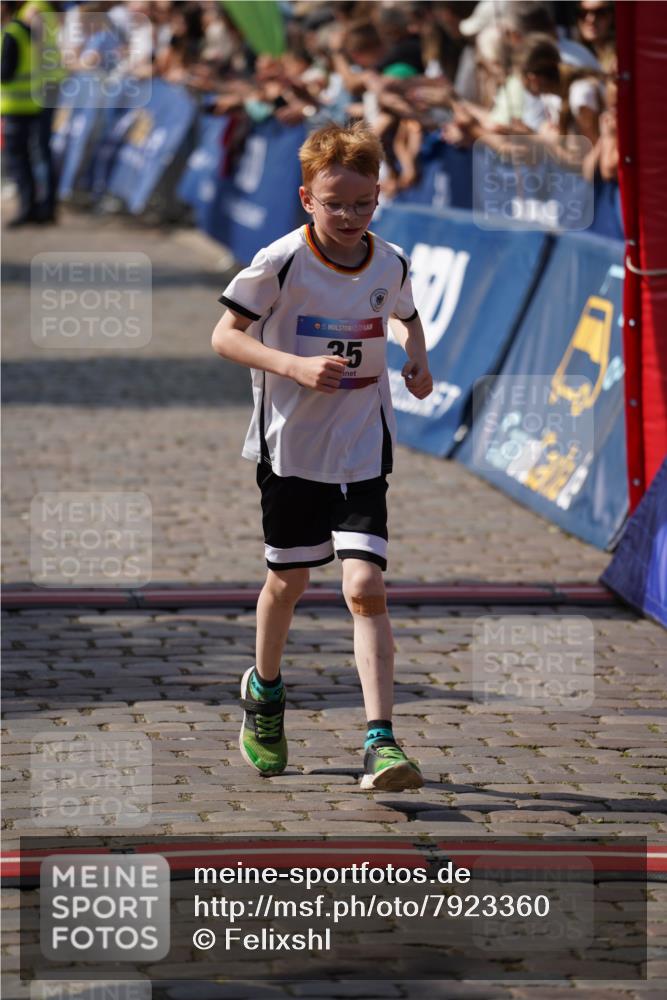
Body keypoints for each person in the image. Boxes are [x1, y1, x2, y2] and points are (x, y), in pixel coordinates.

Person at [211, 121, 433, 792]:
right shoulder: (279, 260)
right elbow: (224, 335)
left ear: (377, 200)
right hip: (291, 445)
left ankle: (381, 741)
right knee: (290, 582)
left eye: (361, 204)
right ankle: (266, 693)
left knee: (365, 587)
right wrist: (291, 366)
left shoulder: (388, 260)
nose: (347, 216)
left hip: (363, 438)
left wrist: (415, 356)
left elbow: (403, 312)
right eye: (334, 203)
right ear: (306, 197)